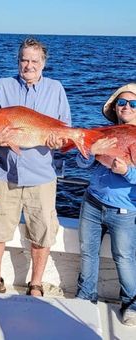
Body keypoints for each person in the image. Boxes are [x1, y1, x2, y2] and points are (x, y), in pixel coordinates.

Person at [0, 37, 71, 295]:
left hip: (41, 176)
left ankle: (36, 282)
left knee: (42, 232)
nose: (28, 65)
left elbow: (64, 135)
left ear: (43, 63)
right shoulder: (2, 86)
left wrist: (57, 141)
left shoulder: (56, 89)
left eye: (34, 60)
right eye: (24, 59)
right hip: (4, 173)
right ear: (17, 61)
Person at [76, 83, 136, 327]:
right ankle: (85, 296)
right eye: (122, 103)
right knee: (87, 252)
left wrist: (128, 172)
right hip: (91, 203)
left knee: (124, 257)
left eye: (133, 103)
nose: (127, 107)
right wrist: (89, 152)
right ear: (115, 108)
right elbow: (81, 164)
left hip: (124, 211)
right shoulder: (104, 132)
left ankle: (131, 302)